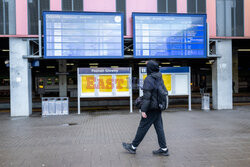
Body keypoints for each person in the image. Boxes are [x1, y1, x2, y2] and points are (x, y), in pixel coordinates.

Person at [122, 60, 169, 156]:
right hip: (158, 107)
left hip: (151, 108)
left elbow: (147, 97)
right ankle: (164, 149)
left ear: (150, 68)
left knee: (142, 127)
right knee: (159, 128)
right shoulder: (159, 77)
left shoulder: (149, 79)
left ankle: (133, 147)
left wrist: (143, 110)